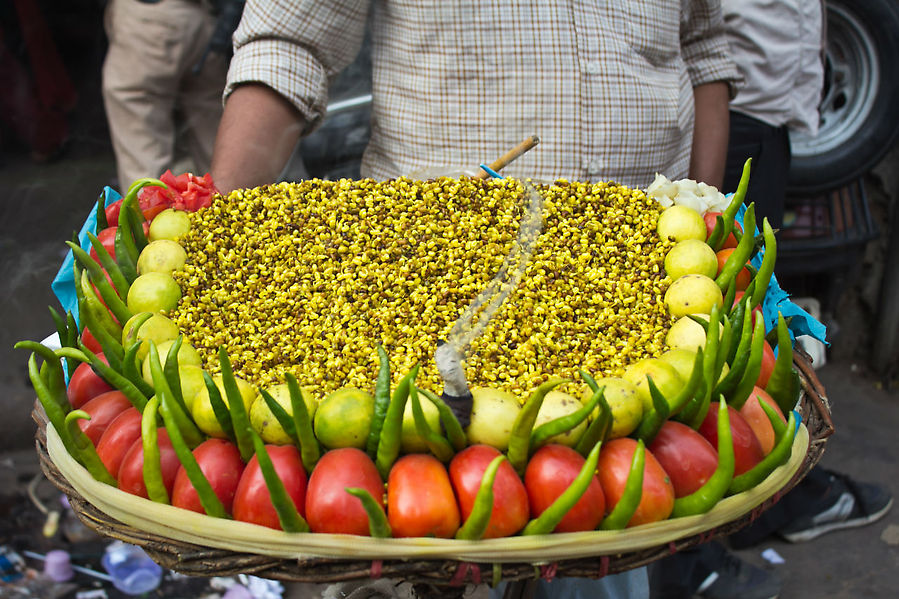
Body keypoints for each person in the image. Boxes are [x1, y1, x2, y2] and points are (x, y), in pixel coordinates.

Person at [212, 2, 738, 598]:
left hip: (641, 322)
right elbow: (288, 46)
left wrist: (707, 220)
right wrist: (225, 235)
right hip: (415, 310)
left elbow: (703, 50)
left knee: (601, 566)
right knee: (423, 567)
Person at [649, 2, 894, 598]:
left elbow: (706, 47)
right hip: (757, 107)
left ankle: (701, 545)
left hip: (696, 191)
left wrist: (707, 205)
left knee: (716, 383)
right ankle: (692, 563)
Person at [101, 0, 240, 188]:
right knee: (215, 144)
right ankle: (231, 205)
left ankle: (149, 214)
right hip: (207, 19)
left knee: (143, 155)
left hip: (151, 18)